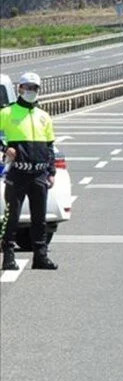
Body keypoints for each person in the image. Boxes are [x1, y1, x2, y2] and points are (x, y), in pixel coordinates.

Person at [1, 72, 57, 271]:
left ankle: (40, 257)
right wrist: (4, 147)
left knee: (39, 219)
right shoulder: (7, 113)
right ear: (20, 89)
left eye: (35, 88)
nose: (31, 91)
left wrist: (51, 172)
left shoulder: (44, 116)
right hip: (17, 173)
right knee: (12, 216)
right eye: (28, 87)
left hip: (39, 174)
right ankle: (8, 256)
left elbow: (50, 146)